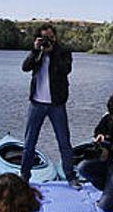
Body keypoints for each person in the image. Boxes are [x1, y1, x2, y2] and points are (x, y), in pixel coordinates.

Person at [19, 24, 81, 189]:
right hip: (37, 104)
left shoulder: (63, 52)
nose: (48, 40)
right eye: (44, 37)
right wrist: (35, 51)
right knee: (29, 143)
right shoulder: (37, 53)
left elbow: (65, 70)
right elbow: (25, 68)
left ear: (55, 37)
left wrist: (52, 52)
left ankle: (70, 176)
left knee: (64, 142)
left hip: (56, 104)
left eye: (51, 37)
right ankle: (24, 177)